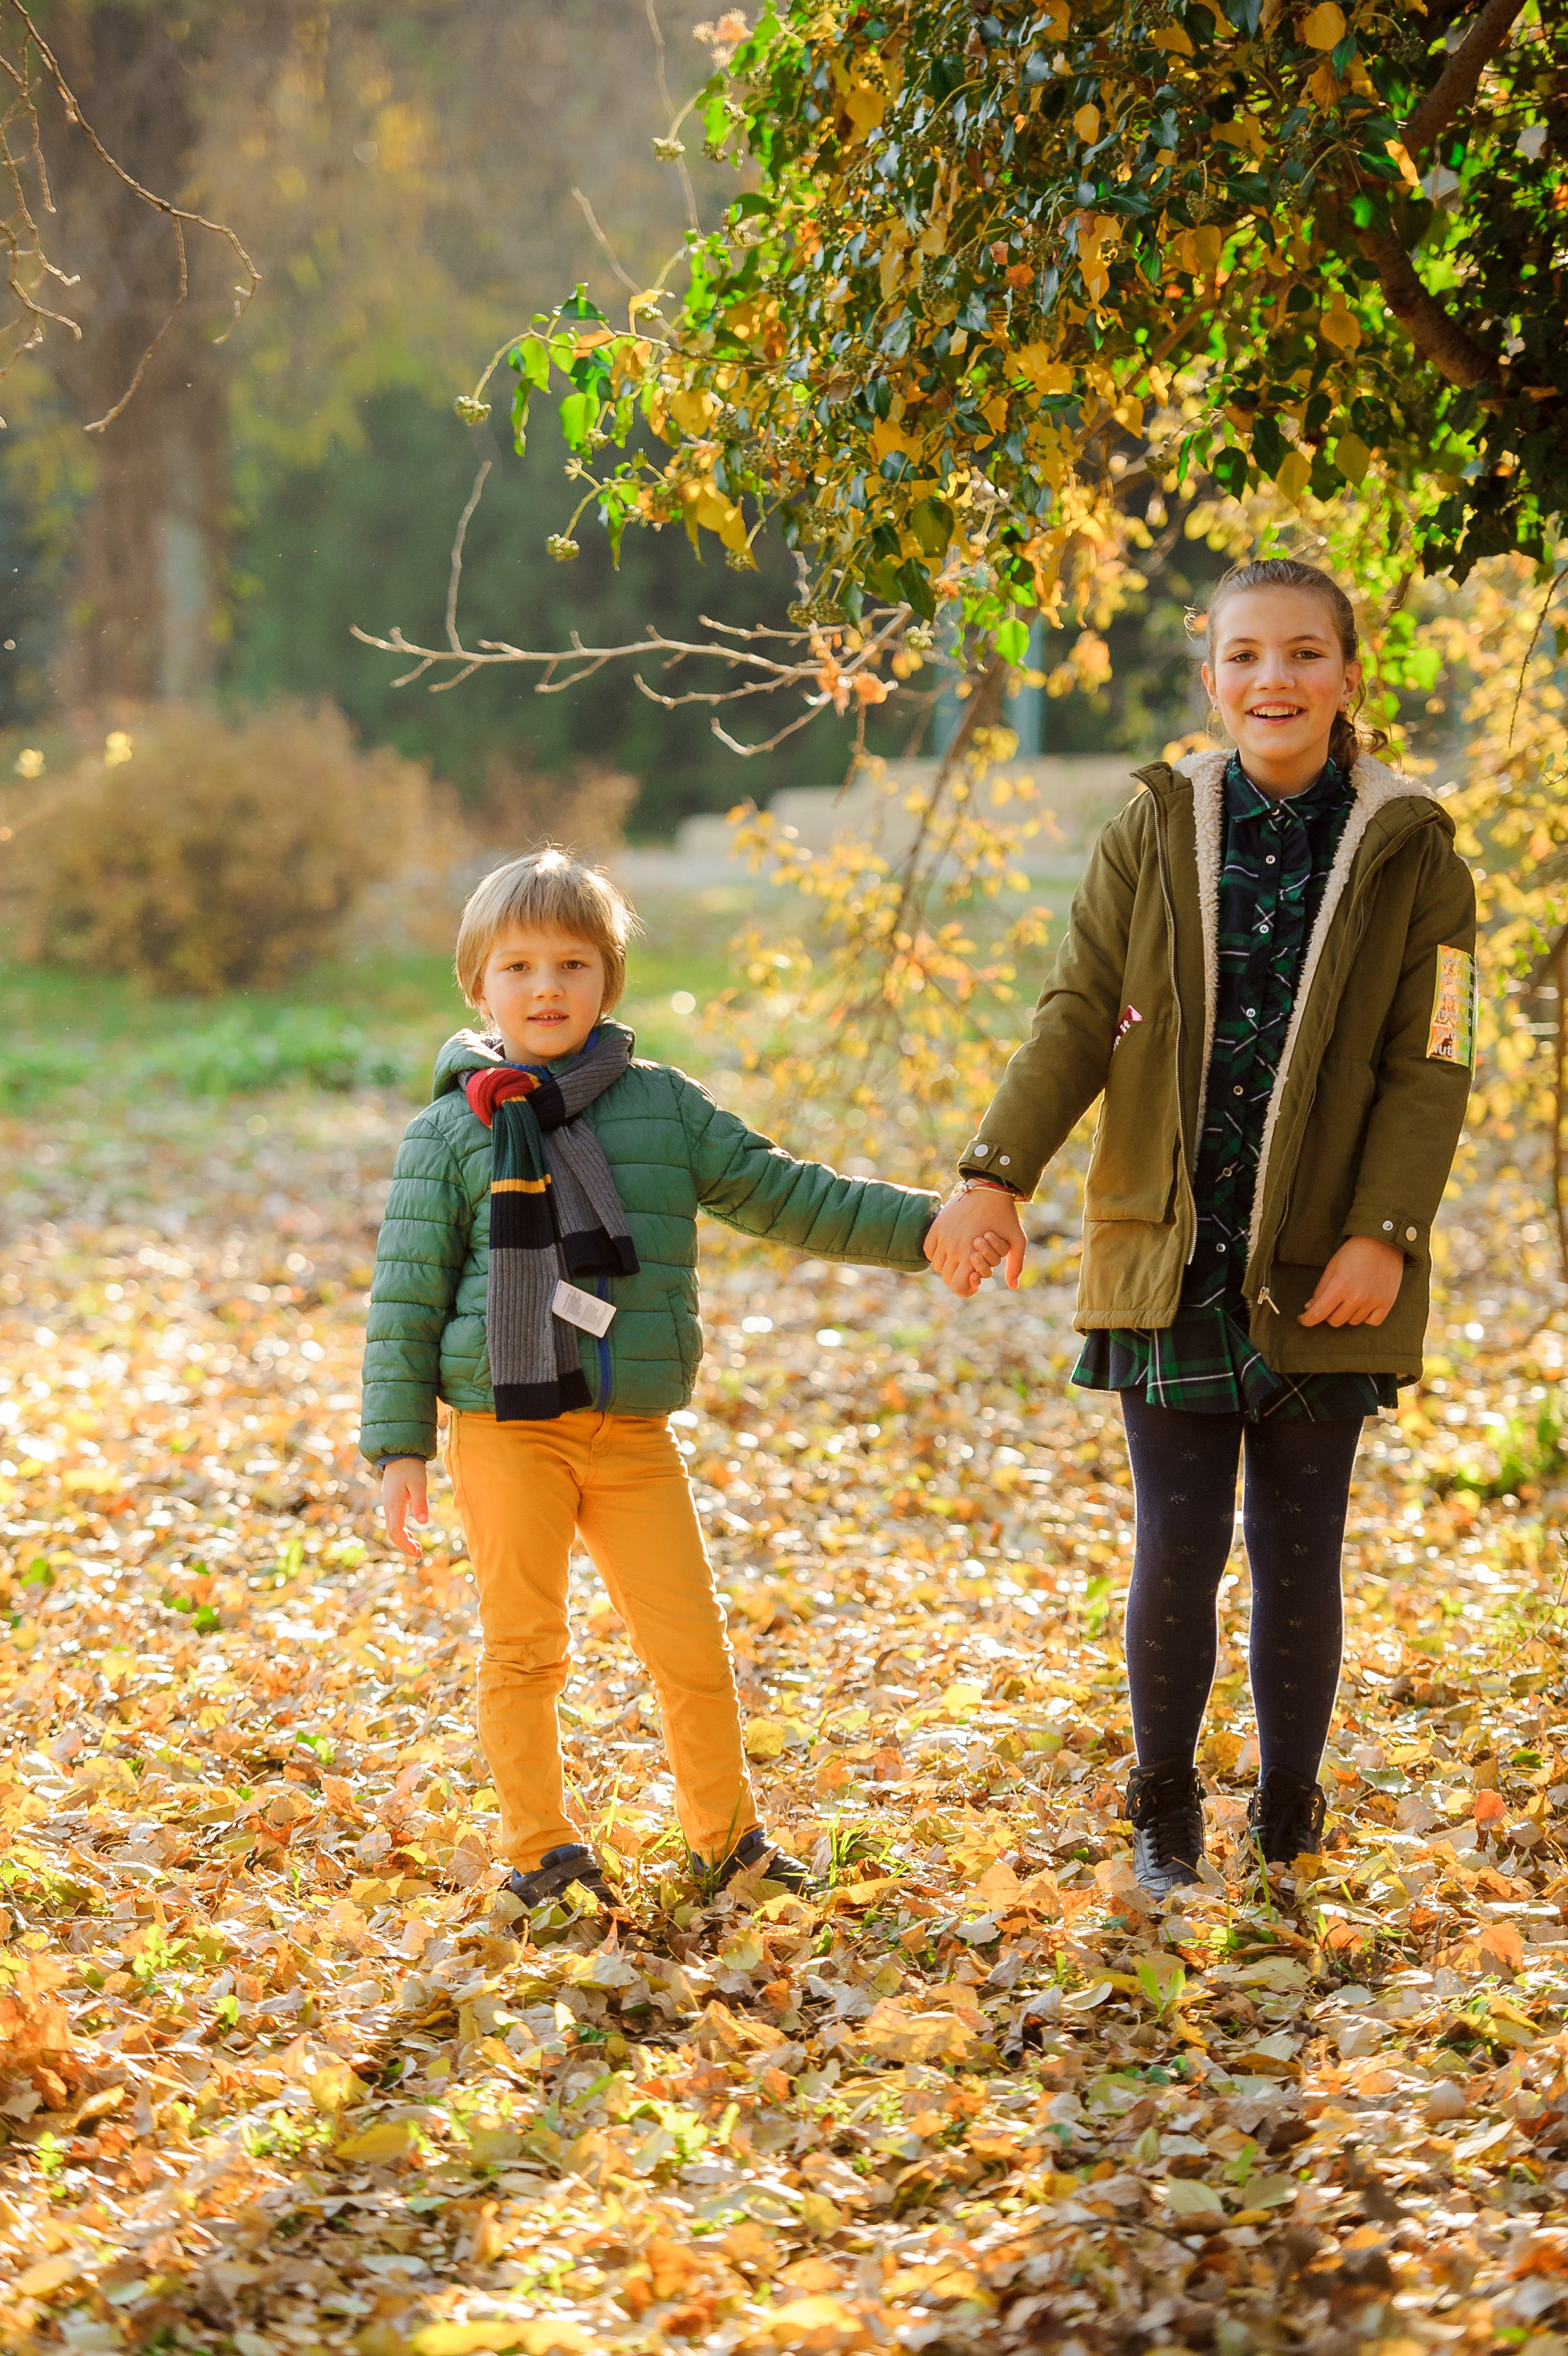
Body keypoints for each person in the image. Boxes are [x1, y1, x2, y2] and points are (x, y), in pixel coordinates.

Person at [924, 557, 1476, 1895]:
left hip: (1326, 1266)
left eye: (1301, 653)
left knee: (1302, 1548)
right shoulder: (1155, 825)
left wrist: (1386, 1232)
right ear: (1211, 676)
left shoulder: (1418, 851)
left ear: (1350, 675)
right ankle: (1162, 1799)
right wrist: (997, 1171)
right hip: (1166, 1250)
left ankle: (1292, 1810)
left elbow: (1434, 1061)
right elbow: (1077, 1010)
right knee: (1178, 1537)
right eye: (1243, 655)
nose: (1272, 678)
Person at [360, 848, 938, 1910]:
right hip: (505, 1429)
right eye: (520, 967)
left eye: (573, 965)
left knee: (691, 1647)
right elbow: (404, 1296)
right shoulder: (449, 1133)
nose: (547, 988)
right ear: (479, 987)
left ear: (607, 982)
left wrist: (933, 1229)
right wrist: (397, 1446)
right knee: (525, 1647)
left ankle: (728, 1842)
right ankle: (543, 1848)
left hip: (630, 1433)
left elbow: (784, 1192)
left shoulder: (662, 1108)